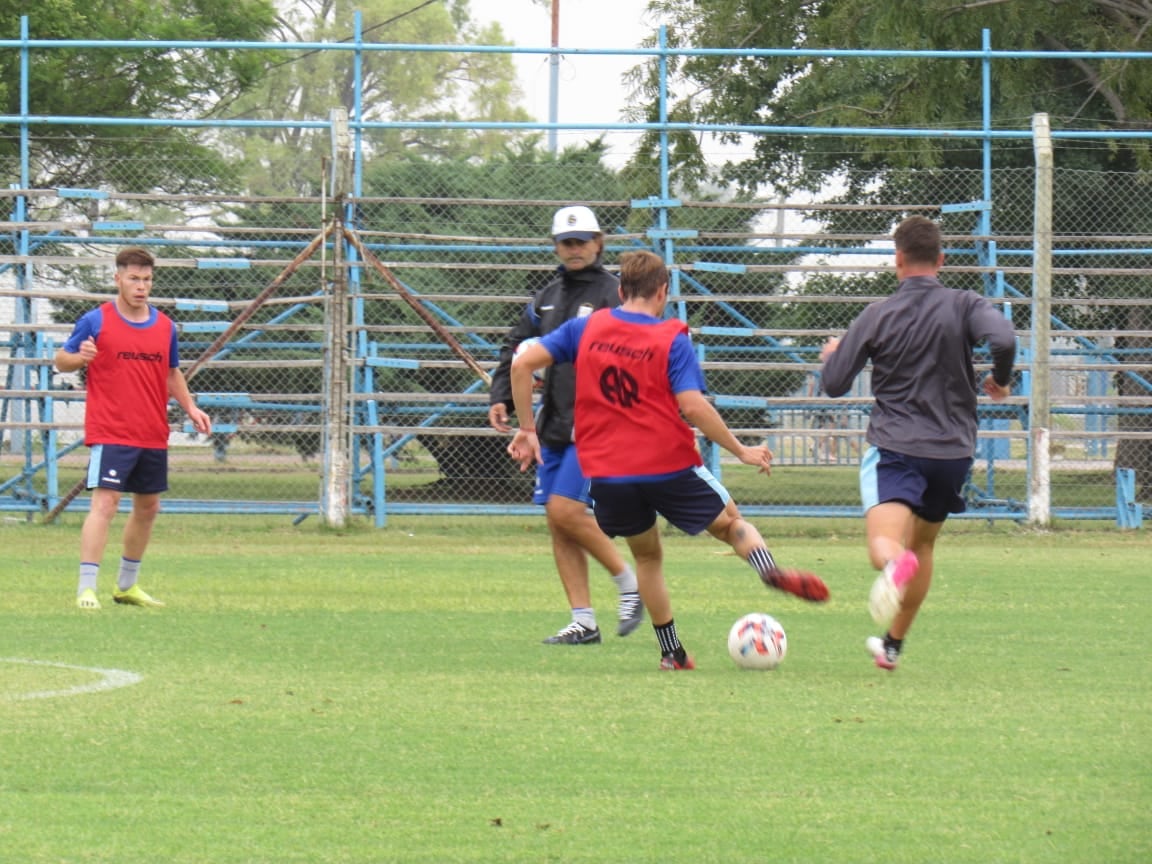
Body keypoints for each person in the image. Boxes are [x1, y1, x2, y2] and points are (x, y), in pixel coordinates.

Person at [508, 249, 829, 671]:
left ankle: (672, 653)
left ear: (621, 290)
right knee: (731, 523)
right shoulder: (671, 337)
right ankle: (768, 570)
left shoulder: (586, 328)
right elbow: (693, 407)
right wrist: (740, 450)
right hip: (666, 462)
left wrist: (528, 429)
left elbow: (523, 361)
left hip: (607, 471)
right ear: (663, 293)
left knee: (647, 557)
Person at [819, 216, 1016, 671]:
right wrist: (999, 380)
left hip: (897, 448)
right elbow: (1004, 337)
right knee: (923, 547)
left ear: (898, 259)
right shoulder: (966, 304)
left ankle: (894, 566)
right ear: (941, 260)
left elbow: (834, 385)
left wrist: (833, 355)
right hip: (952, 453)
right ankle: (891, 645)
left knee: (885, 549)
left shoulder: (878, 314)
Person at [488, 205, 642, 644]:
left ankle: (627, 582)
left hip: (599, 424)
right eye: (566, 242)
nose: (574, 249)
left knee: (566, 510)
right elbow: (515, 347)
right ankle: (583, 621)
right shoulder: (547, 296)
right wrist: (501, 395)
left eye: (582, 241)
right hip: (553, 422)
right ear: (556, 246)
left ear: (599, 243)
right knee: (558, 523)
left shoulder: (616, 294)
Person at [54, 246, 212, 610]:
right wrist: (80, 358)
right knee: (105, 504)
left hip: (152, 431)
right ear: (118, 279)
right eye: (133, 278)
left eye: (146, 279)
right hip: (111, 431)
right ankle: (87, 588)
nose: (141, 286)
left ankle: (126, 586)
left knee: (149, 507)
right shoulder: (96, 320)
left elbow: (171, 372)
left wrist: (190, 407)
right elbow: (61, 359)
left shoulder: (165, 326)